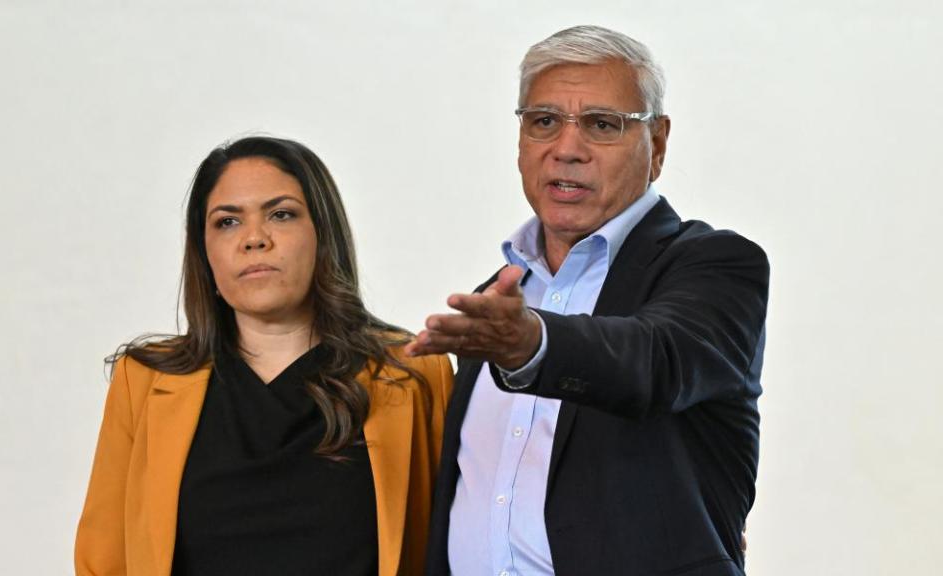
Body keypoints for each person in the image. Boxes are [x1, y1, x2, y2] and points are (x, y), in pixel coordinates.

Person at [407, 25, 768, 575]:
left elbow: (654, 360)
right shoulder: (497, 299)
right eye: (544, 121)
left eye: (603, 125)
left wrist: (536, 344)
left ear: (659, 144)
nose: (566, 150)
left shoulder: (714, 266)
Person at [75, 136, 452, 576]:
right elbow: (104, 562)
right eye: (227, 222)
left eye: (281, 214)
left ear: (322, 235)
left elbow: (453, 551)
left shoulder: (415, 374)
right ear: (204, 251)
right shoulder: (141, 380)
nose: (254, 238)